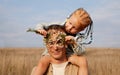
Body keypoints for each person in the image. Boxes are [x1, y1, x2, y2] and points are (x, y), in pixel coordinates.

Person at [30, 8, 93, 75]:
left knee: (83, 61)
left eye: (74, 28)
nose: (69, 28)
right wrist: (40, 29)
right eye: (70, 23)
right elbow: (41, 24)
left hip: (69, 55)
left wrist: (74, 43)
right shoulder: (56, 25)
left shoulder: (78, 38)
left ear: (81, 30)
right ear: (68, 18)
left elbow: (82, 52)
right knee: (43, 61)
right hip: (50, 53)